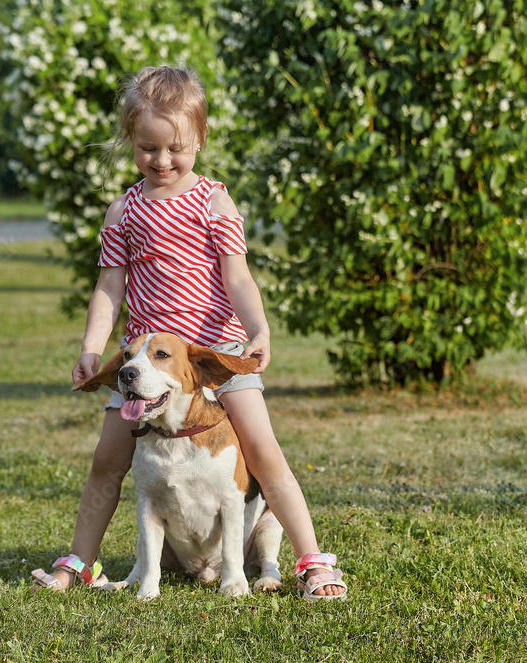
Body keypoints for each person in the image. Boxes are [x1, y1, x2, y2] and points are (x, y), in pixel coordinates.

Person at [30, 65, 346, 600]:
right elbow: (109, 287)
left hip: (217, 353)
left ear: (199, 138)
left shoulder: (214, 203)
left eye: (175, 147)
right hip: (148, 364)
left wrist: (259, 328)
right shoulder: (124, 211)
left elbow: (238, 277)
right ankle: (80, 562)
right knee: (108, 460)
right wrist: (92, 346)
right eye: (147, 148)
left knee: (263, 451)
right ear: (131, 141)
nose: (162, 160)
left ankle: (312, 561)